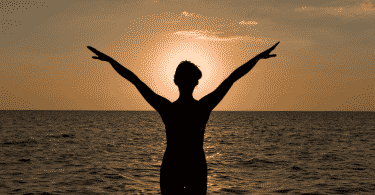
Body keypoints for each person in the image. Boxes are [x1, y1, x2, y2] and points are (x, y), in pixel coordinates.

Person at [87, 41, 279, 195]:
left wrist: (110, 60)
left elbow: (134, 79)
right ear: (196, 82)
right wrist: (257, 58)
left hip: (174, 165)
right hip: (193, 164)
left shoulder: (167, 108)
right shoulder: (203, 107)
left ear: (175, 81)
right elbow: (233, 77)